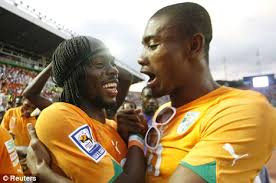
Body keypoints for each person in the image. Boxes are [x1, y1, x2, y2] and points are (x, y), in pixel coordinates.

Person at [135, 2, 276, 182]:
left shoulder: (243, 109)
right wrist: (134, 137)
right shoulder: (163, 113)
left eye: (153, 45)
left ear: (194, 45)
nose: (140, 58)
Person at [26, 36, 147, 183]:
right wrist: (136, 137)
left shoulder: (115, 127)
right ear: (75, 74)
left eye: (112, 63)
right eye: (100, 63)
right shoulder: (57, 115)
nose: (114, 71)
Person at [1, 98, 36, 173]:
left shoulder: (37, 119)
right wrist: (7, 135)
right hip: (10, 157)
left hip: (27, 161)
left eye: (33, 108)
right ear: (23, 100)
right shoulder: (11, 113)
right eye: (27, 106)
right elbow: (2, 134)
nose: (29, 110)